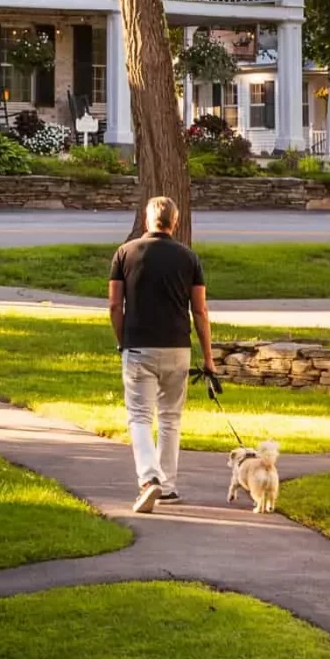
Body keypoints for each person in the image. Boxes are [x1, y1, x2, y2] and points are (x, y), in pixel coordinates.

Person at [107, 196, 212, 514]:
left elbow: (114, 305)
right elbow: (200, 310)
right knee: (170, 417)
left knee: (140, 416)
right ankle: (167, 486)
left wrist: (122, 340)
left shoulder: (125, 253)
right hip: (178, 348)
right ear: (174, 222)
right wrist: (208, 358)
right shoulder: (189, 257)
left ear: (146, 219)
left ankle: (149, 478)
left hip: (139, 346)